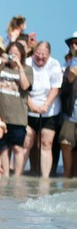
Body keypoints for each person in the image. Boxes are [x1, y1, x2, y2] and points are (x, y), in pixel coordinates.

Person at [0, 41, 33, 177]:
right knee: (3, 148)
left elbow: (25, 86)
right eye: (11, 53)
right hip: (0, 115)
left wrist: (19, 66)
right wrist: (1, 63)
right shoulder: (3, 67)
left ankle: (17, 177)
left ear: (22, 55)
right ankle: (6, 177)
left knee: (17, 148)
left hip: (18, 117)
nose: (13, 56)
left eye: (16, 53)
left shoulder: (27, 69)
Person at [23, 42, 63, 178]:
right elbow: (22, 87)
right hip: (29, 109)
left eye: (43, 55)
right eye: (37, 54)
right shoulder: (27, 62)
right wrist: (31, 105)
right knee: (28, 142)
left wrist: (46, 104)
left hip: (49, 111)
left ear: (49, 55)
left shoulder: (54, 64)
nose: (40, 57)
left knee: (46, 143)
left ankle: (44, 180)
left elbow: (55, 88)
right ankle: (21, 176)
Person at [59, 32, 77, 178]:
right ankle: (66, 181)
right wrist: (69, 80)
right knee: (66, 145)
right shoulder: (66, 66)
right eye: (72, 43)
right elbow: (62, 93)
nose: (75, 46)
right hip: (70, 115)